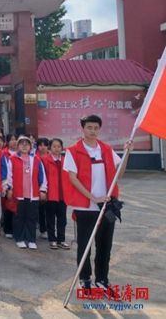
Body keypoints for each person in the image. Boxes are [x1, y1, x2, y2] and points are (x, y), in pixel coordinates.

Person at [63, 114, 131, 293]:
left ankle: (102, 279)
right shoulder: (73, 151)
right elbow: (73, 179)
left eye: (96, 128)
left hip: (107, 206)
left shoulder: (106, 149)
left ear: (99, 129)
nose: (93, 131)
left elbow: (119, 174)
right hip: (85, 207)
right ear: (83, 128)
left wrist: (127, 153)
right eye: (89, 127)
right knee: (85, 245)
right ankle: (85, 278)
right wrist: (93, 197)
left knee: (105, 245)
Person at [6, 136, 47, 250]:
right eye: (21, 144)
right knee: (19, 217)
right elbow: (9, 176)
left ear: (30, 146)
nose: (24, 146)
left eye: (27, 144)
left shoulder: (36, 160)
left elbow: (42, 176)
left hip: (33, 195)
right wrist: (9, 189)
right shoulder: (12, 159)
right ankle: (19, 239)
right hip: (18, 194)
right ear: (18, 146)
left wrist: (43, 190)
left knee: (31, 218)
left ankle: (31, 239)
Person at [41, 138, 69, 250]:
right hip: (51, 194)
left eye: (59, 146)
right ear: (50, 148)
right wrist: (43, 191)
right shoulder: (45, 160)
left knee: (62, 219)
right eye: (54, 146)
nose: (56, 149)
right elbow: (42, 177)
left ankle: (61, 240)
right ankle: (52, 239)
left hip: (63, 195)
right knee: (50, 218)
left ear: (62, 148)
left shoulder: (66, 161)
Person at [36, 137, 50, 240]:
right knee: (41, 210)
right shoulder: (35, 157)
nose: (43, 147)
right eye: (40, 145)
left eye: (45, 145)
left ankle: (50, 229)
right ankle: (43, 229)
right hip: (39, 187)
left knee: (49, 210)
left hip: (51, 187)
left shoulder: (51, 157)